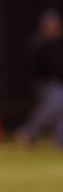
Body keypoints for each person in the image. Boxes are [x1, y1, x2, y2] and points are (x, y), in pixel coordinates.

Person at [15, 8, 63, 149]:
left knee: (57, 109)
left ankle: (59, 138)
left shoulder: (59, 42)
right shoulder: (39, 43)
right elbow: (35, 66)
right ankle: (29, 130)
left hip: (58, 83)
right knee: (51, 109)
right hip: (45, 83)